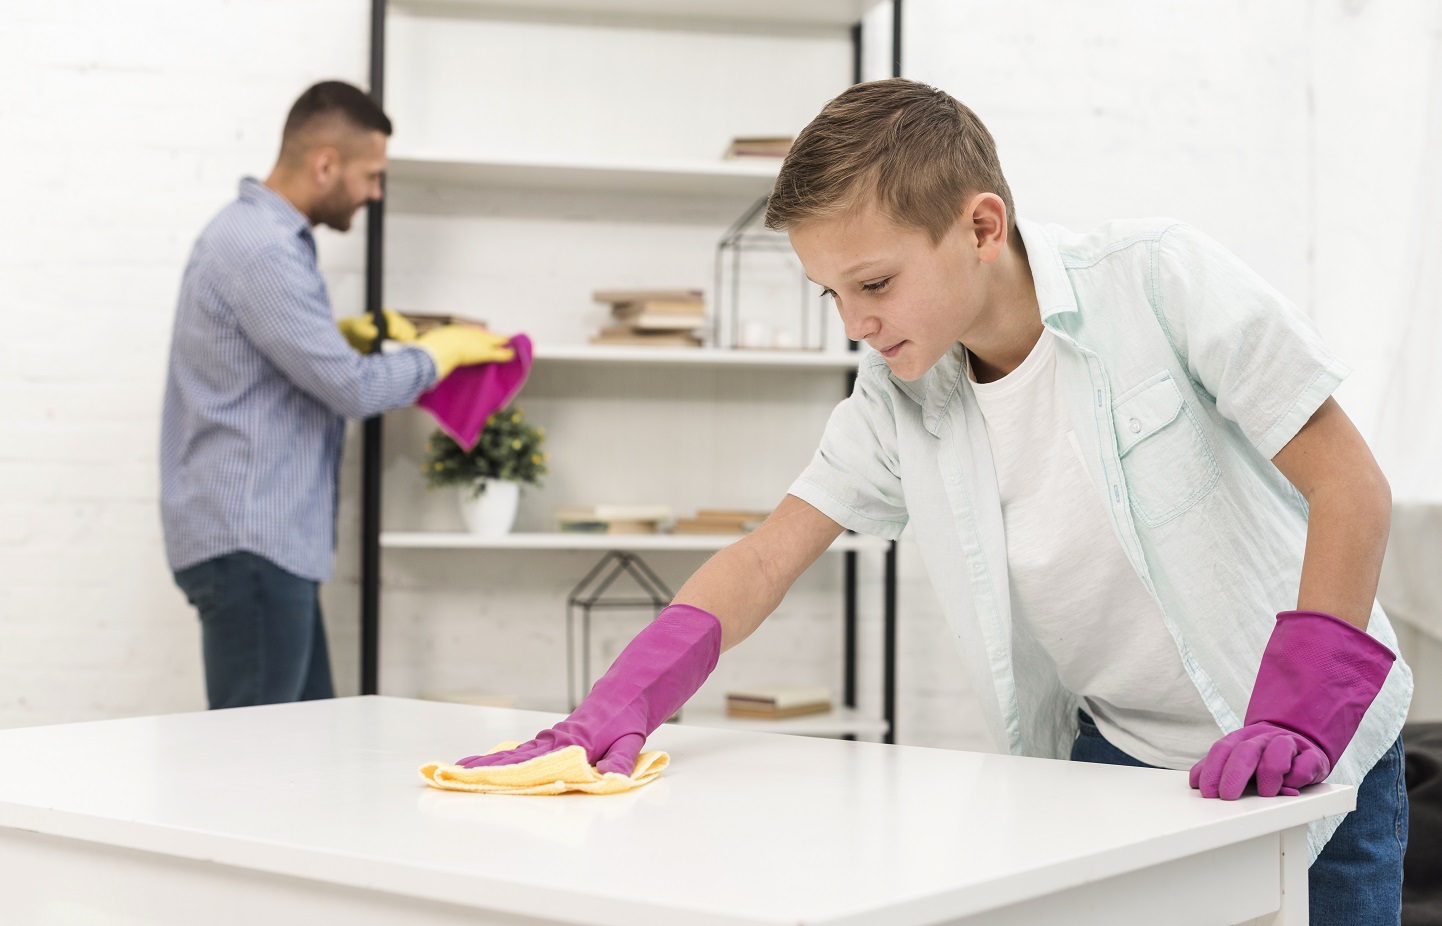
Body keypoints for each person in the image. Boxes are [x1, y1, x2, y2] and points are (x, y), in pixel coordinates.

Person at [460, 79, 1412, 924]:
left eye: (874, 283)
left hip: (1322, 758)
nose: (856, 323)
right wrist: (618, 704)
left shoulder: (1158, 281)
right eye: (831, 294)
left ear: (982, 228)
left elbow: (1349, 485)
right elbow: (766, 556)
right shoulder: (898, 395)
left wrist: (1298, 716)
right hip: (1120, 769)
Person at [161, 80, 512, 710]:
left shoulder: (253, 236)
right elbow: (352, 390)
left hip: (259, 545)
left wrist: (339, 337)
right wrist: (441, 352)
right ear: (326, 164)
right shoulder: (264, 251)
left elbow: (279, 366)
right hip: (253, 542)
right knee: (258, 754)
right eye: (371, 175)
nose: (376, 192)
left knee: (303, 744)